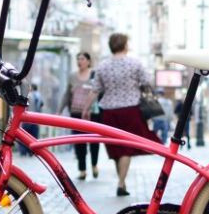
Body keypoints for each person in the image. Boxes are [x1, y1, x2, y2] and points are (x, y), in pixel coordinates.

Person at [84, 33, 160, 196]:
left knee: (116, 147)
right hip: (130, 109)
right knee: (126, 148)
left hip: (109, 111)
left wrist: (86, 109)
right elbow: (148, 82)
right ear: (125, 45)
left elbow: (95, 89)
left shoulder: (103, 66)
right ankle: (121, 182)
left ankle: (122, 182)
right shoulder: (135, 63)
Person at [60, 52, 101, 180]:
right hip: (76, 113)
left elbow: (99, 92)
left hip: (92, 114)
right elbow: (67, 94)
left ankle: (94, 165)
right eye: (78, 59)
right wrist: (60, 110)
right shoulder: (72, 76)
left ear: (88, 61)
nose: (79, 61)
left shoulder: (94, 75)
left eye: (82, 59)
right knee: (79, 142)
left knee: (94, 141)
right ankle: (82, 170)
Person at [19, 83, 43, 156]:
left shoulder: (29, 96)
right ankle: (32, 151)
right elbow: (41, 105)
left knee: (24, 136)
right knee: (33, 137)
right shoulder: (39, 96)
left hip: (26, 119)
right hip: (36, 119)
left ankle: (23, 151)